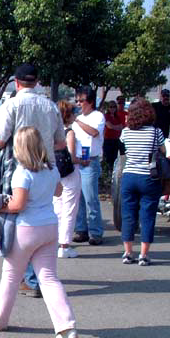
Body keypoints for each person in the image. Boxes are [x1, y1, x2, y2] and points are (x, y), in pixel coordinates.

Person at [0, 126, 78, 338]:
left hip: (26, 229)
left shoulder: (22, 172)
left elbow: (18, 205)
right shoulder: (50, 169)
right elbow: (58, 191)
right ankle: (66, 326)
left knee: (11, 276)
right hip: (50, 226)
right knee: (49, 278)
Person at [0, 63, 66, 299]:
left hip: (18, 166)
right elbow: (61, 143)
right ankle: (35, 276)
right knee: (41, 214)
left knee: (18, 220)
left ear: (16, 82)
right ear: (37, 82)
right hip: (47, 167)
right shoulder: (50, 106)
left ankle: (27, 278)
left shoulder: (11, 105)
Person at [119, 99, 165, 266]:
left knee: (128, 215)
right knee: (147, 216)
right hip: (149, 177)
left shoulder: (126, 132)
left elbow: (124, 150)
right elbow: (163, 151)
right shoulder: (156, 132)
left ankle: (128, 252)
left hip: (129, 176)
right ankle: (144, 255)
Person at [72, 86, 106, 245]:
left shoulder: (97, 116)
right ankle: (81, 229)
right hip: (77, 161)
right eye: (77, 100)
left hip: (90, 160)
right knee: (78, 198)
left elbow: (94, 132)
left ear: (90, 102)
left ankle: (95, 232)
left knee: (91, 198)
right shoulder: (77, 119)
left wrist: (78, 121)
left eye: (81, 101)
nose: (78, 103)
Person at [54, 100, 82, 258]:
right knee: (69, 209)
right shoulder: (69, 132)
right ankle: (64, 245)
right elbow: (71, 156)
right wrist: (82, 161)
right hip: (70, 173)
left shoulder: (52, 131)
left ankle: (56, 241)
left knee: (57, 207)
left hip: (56, 172)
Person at [103, 100, 124, 171]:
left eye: (114, 107)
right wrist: (116, 127)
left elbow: (121, 126)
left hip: (116, 139)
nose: (112, 108)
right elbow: (109, 126)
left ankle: (112, 171)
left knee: (115, 158)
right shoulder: (106, 116)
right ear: (108, 108)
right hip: (108, 139)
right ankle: (107, 172)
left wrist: (114, 127)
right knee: (108, 158)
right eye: (111, 107)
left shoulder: (117, 117)